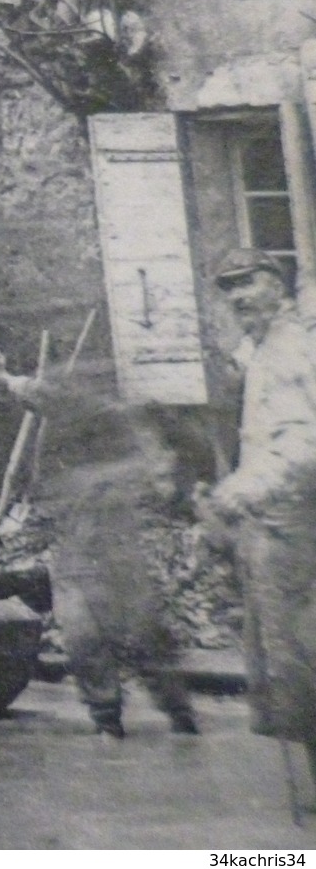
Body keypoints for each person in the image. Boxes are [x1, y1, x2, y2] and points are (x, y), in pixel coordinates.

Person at [0, 348, 198, 738]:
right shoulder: (80, 421)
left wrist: (5, 380)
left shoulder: (116, 419)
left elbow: (51, 396)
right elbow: (44, 395)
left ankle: (174, 711)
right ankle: (108, 715)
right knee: (84, 630)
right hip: (80, 537)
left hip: (113, 536)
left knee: (137, 626)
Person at [203, 248, 316, 774]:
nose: (239, 297)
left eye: (249, 283)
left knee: (300, 649)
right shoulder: (261, 349)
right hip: (272, 524)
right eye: (230, 289)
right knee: (286, 651)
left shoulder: (292, 349)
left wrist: (244, 489)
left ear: (278, 284)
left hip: (294, 521)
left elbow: (302, 444)